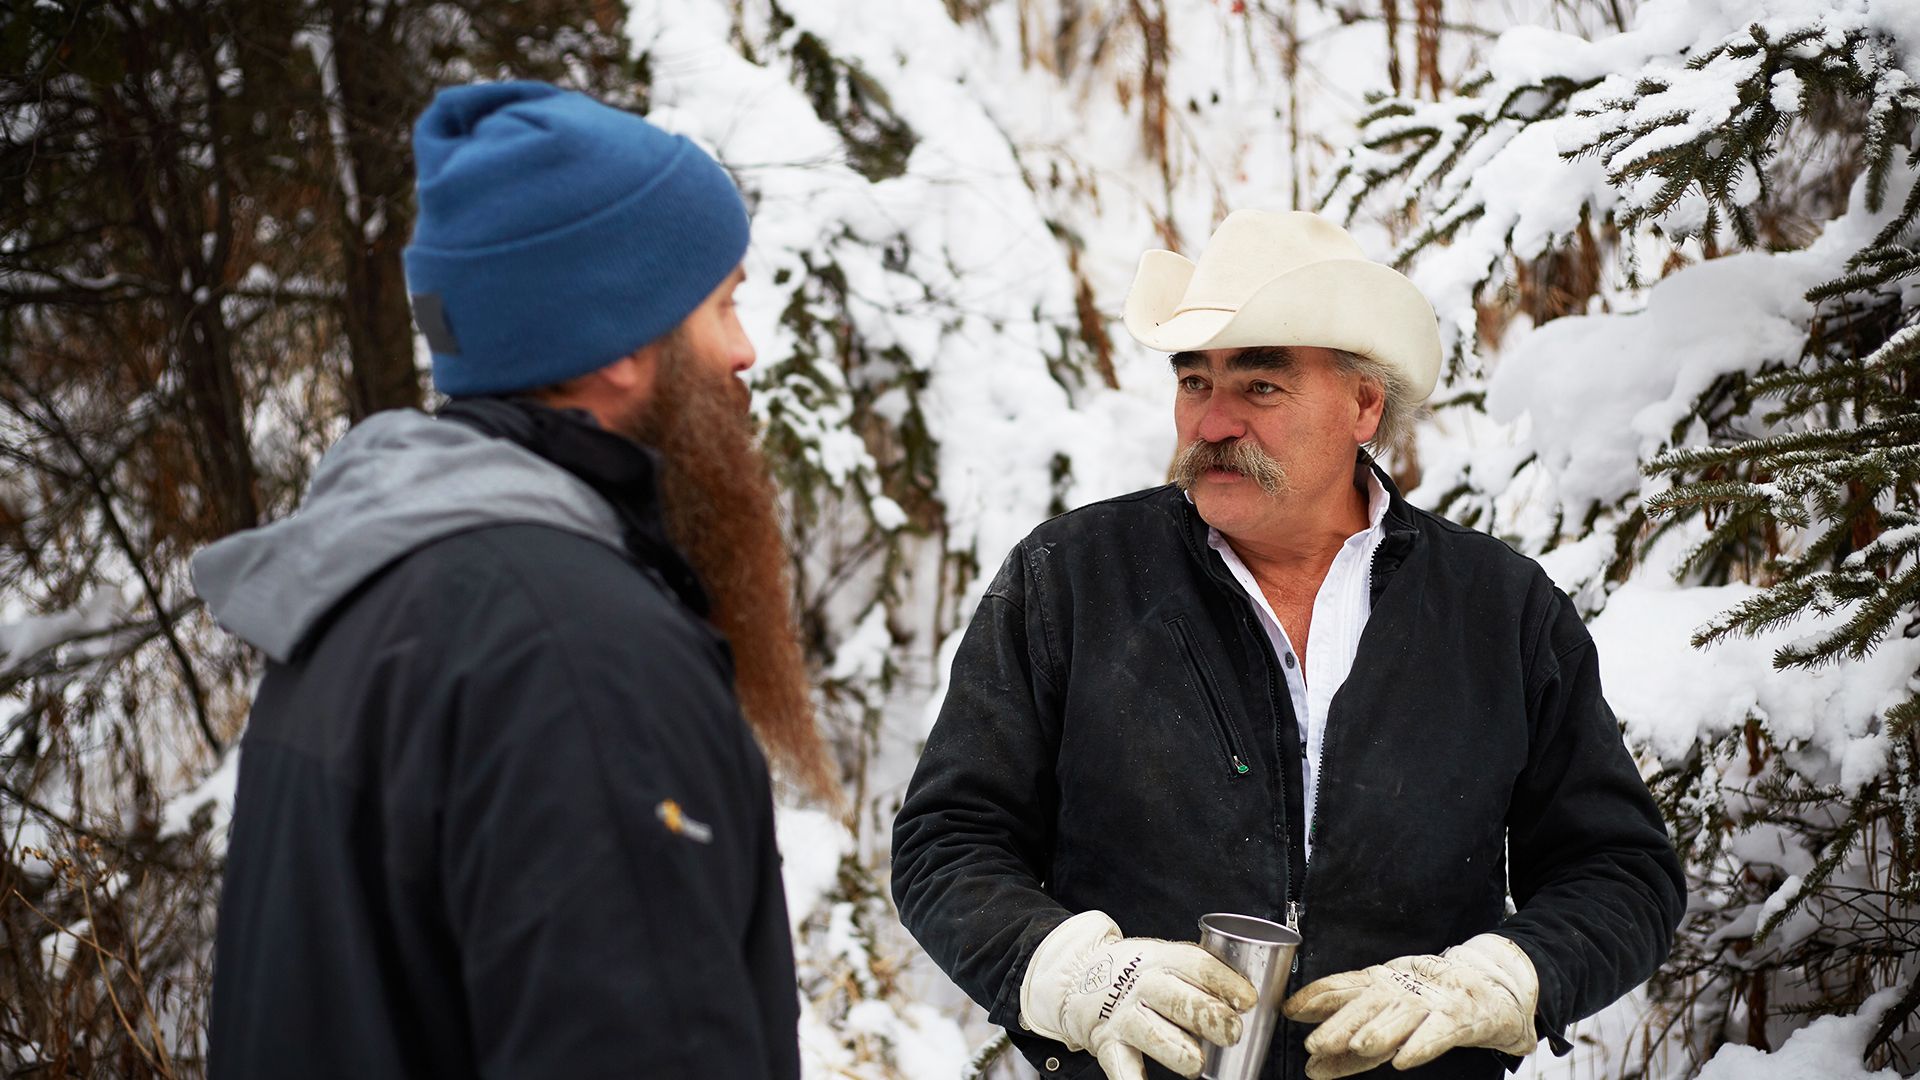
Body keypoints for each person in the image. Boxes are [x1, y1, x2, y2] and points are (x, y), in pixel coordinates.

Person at [891, 210, 1685, 1080]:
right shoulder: (1073, 582)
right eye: (1195, 383)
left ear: (1364, 404)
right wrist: (1070, 973)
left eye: (1260, 388)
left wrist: (1505, 977)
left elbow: (1619, 870)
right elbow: (950, 841)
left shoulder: (1498, 609)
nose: (1213, 422)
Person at [192, 81, 830, 1079]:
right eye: (722, 305)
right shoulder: (580, 657)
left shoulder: (370, 599)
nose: (745, 351)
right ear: (621, 339)